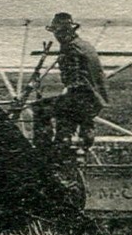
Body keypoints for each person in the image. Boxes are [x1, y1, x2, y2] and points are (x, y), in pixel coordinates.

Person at [33, 12, 109, 154]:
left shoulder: (70, 48)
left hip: (82, 100)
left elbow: (75, 80)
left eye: (58, 32)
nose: (56, 36)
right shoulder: (85, 45)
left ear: (65, 32)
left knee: (40, 107)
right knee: (64, 109)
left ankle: (43, 151)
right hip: (95, 100)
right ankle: (69, 142)